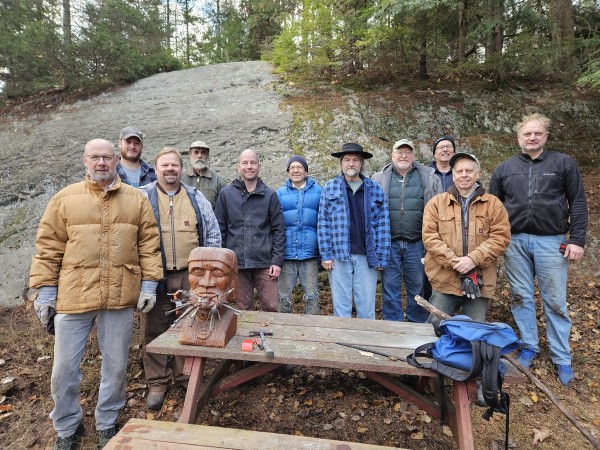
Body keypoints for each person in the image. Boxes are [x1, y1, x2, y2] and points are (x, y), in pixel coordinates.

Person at [29, 139, 162, 449]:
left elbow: (149, 246)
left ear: (116, 161)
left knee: (115, 367)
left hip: (119, 297)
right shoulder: (64, 199)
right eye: (95, 157)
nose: (101, 162)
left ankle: (106, 421)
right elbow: (47, 249)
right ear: (84, 161)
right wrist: (46, 294)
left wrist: (149, 285)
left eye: (106, 157)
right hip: (73, 298)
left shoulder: (136, 199)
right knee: (63, 370)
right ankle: (67, 427)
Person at [489, 113, 588, 387]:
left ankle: (562, 358)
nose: (532, 137)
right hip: (515, 241)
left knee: (554, 300)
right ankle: (529, 345)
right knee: (521, 296)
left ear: (545, 136)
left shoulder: (563, 163)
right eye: (527, 134)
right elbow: (492, 209)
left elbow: (577, 202)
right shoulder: (504, 169)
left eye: (538, 133)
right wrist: (495, 241)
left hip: (551, 240)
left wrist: (576, 239)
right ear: (519, 137)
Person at [139, 147, 221, 410]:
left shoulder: (196, 198)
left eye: (174, 165)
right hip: (155, 274)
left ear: (182, 169)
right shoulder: (142, 197)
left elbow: (212, 235)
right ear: (156, 168)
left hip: (190, 274)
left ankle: (186, 375)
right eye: (165, 165)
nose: (170, 169)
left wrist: (210, 272)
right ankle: (157, 382)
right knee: (154, 327)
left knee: (190, 325)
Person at [422, 152, 510, 323]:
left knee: (474, 328)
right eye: (459, 171)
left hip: (479, 278)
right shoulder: (436, 203)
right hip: (444, 277)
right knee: (435, 325)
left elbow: (501, 237)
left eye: (469, 171)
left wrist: (472, 260)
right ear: (453, 175)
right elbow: (430, 237)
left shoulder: (493, 204)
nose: (464, 175)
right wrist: (455, 262)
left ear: (477, 174)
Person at [318, 143, 391, 319]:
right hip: (339, 254)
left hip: (367, 255)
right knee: (341, 305)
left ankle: (364, 342)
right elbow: (323, 223)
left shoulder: (374, 189)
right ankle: (343, 343)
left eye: (356, 160)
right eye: (347, 160)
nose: (351, 164)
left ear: (362, 164)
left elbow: (383, 224)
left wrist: (381, 255)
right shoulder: (330, 187)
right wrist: (325, 254)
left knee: (366, 306)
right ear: (341, 163)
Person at [372, 139, 442, 322]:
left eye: (408, 152)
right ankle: (393, 324)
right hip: (390, 243)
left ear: (413, 155)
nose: (404, 155)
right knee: (390, 286)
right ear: (392, 155)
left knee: (417, 285)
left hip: (417, 243)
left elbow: (438, 211)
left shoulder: (428, 177)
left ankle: (417, 322)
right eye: (399, 152)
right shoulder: (378, 178)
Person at [214, 149, 285, 312]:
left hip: (265, 264)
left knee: (272, 307)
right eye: (245, 163)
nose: (249, 166)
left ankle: (271, 337)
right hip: (237, 264)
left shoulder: (269, 195)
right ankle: (246, 339)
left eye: (253, 162)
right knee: (243, 309)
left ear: (259, 166)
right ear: (238, 167)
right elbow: (220, 230)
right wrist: (224, 262)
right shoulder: (226, 194)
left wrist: (276, 261)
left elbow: (279, 230)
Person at [276, 155, 323, 314]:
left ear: (306, 171)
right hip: (287, 254)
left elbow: (323, 222)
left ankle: (312, 328)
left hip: (309, 255)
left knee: (311, 295)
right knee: (283, 296)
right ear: (288, 172)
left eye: (299, 167)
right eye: (292, 168)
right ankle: (284, 326)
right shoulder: (279, 194)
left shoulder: (318, 191)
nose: (296, 170)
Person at [182, 141, 228, 208]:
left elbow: (226, 207)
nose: (199, 156)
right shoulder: (181, 179)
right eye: (196, 152)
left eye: (203, 152)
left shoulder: (218, 180)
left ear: (207, 156)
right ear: (190, 155)